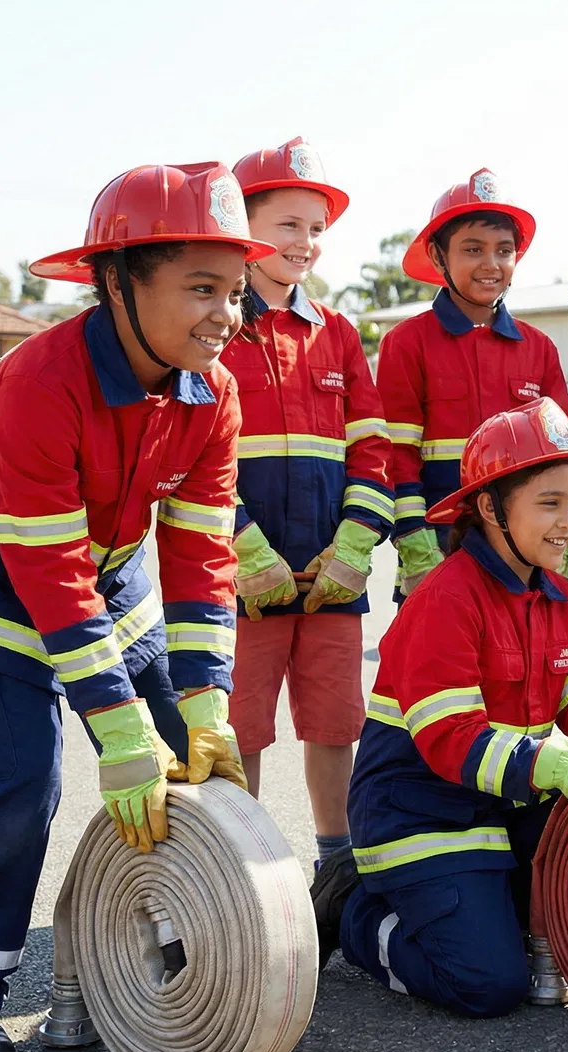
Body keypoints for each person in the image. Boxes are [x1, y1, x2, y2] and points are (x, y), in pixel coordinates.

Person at [0, 162, 260, 1052]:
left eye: (235, 290)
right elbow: (48, 571)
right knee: (19, 779)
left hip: (103, 559)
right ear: (116, 282)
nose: (227, 314)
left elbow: (201, 555)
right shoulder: (37, 383)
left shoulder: (214, 392)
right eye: (202, 289)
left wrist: (207, 701)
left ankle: (178, 966)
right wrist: (115, 722)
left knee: (183, 746)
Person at [310, 398, 568, 1018]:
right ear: (491, 508)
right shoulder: (446, 598)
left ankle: (484, 904)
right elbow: (452, 741)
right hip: (419, 817)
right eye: (549, 504)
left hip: (503, 803)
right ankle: (355, 909)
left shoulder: (557, 594)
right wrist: (563, 766)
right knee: (488, 984)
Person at [220, 137, 391, 866]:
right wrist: (242, 550)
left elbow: (374, 451)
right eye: (288, 224)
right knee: (238, 733)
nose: (306, 242)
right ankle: (238, 869)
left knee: (334, 726)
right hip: (240, 585)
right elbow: (192, 462)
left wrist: (354, 547)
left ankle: (337, 867)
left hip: (331, 581)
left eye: (316, 227)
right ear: (242, 226)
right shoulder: (215, 329)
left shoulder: (340, 335)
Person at [377, 169, 568, 599]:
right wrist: (416, 544)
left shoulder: (539, 348)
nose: (491, 264)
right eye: (472, 249)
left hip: (526, 554)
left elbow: (563, 462)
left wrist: (559, 546)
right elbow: (396, 457)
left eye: (504, 250)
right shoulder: (406, 343)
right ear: (437, 256)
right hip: (438, 548)